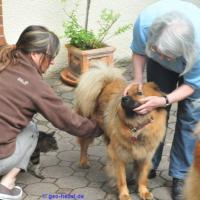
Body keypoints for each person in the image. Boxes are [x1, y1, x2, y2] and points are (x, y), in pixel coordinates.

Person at [0, 25, 102, 199]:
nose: (53, 62)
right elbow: (68, 121)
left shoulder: (5, 59)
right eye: (51, 56)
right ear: (36, 54)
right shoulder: (35, 85)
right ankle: (6, 185)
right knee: (31, 129)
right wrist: (102, 127)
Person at [124, 1, 200, 200]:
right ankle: (148, 165)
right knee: (154, 114)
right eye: (157, 51)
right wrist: (138, 79)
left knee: (190, 118)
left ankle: (180, 174)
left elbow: (192, 85)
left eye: (168, 56)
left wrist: (165, 100)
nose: (165, 58)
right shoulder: (145, 23)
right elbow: (140, 51)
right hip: (163, 56)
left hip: (194, 67)